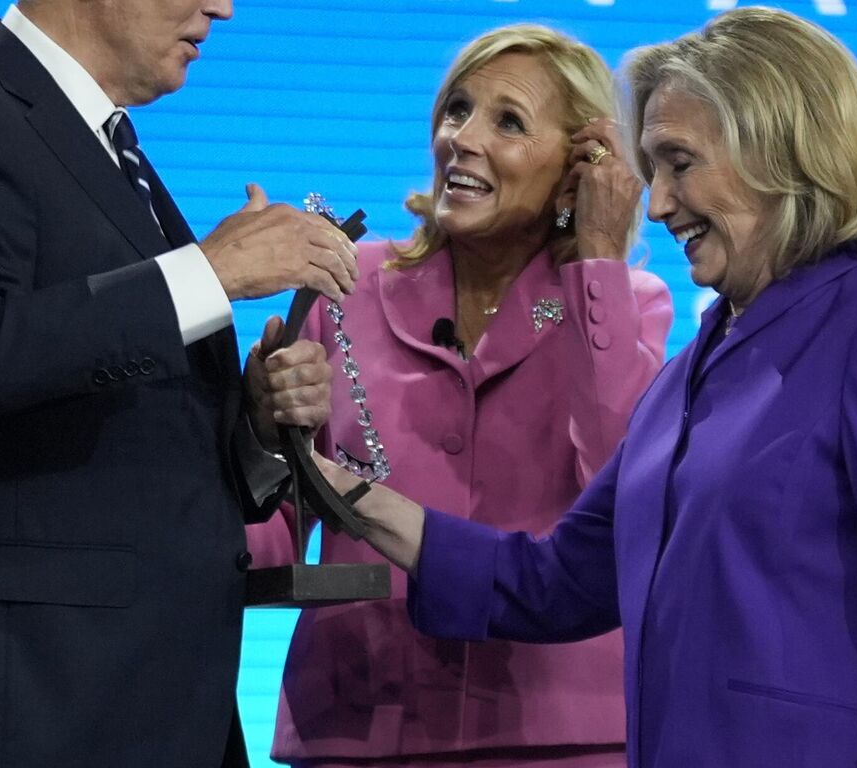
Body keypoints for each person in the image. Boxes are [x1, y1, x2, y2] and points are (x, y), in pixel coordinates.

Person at [303, 8, 857, 767]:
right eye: (652, 170)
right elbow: (556, 582)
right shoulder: (691, 372)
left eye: (680, 164)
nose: (655, 204)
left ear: (780, 153)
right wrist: (336, 486)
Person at [0, 0, 357, 765]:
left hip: (144, 700)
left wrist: (255, 427)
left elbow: (110, 423)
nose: (224, 6)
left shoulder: (108, 150)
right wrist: (209, 272)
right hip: (20, 706)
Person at [243, 24, 672, 768]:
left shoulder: (614, 303)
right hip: (361, 728)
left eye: (508, 122)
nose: (462, 140)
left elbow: (620, 482)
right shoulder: (352, 285)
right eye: (456, 111)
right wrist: (255, 431)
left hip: (560, 735)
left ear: (579, 167)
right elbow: (273, 537)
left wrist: (595, 254)